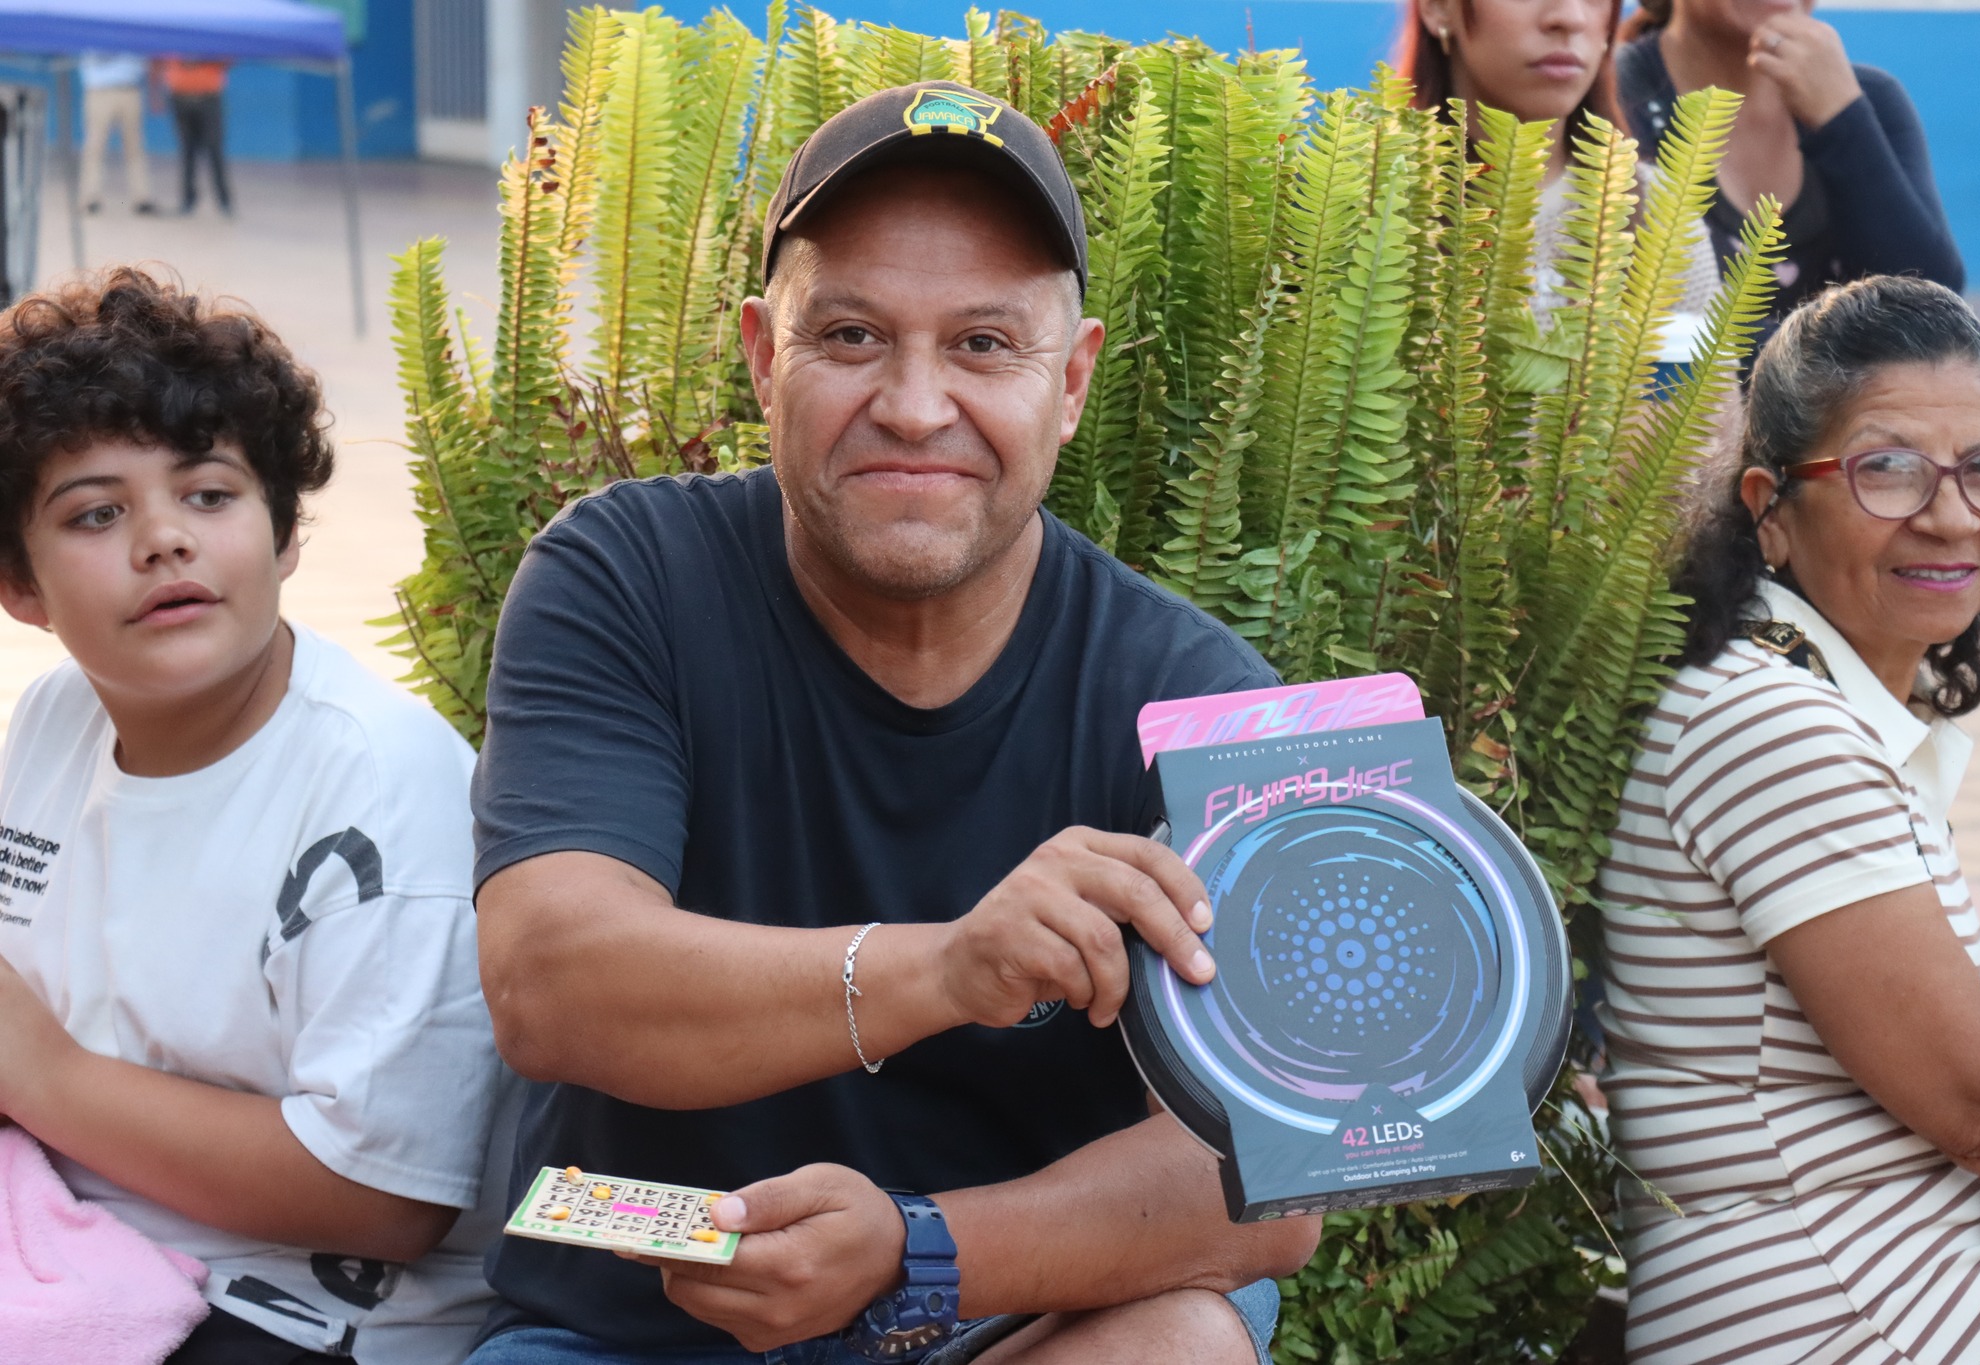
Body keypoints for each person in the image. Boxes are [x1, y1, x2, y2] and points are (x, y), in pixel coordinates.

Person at [465, 82, 1319, 1365]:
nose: (916, 406)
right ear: (763, 355)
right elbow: (552, 982)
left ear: (1073, 380)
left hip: (995, 1329)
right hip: (629, 1338)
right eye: (852, 335)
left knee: (1178, 1345)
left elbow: (1265, 1173)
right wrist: (949, 969)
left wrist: (919, 1250)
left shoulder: (1204, 704)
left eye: (984, 345)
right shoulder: (625, 575)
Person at [0, 268, 515, 1365]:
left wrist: (42, 1075)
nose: (162, 541)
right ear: (21, 587)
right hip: (67, 1240)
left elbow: (384, 1198)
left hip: (304, 1312)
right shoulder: (53, 721)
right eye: (96, 513)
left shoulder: (376, 788)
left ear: (283, 535)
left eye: (209, 495)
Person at [1598, 275, 1980, 1362]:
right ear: (1767, 508)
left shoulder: (1792, 692)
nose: (1949, 515)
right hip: (1840, 1306)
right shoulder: (1769, 728)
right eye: (1884, 471)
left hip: (1901, 1266)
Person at [1617, 0, 1964, 322]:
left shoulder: (1868, 98)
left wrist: (1842, 121)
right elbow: (1662, 327)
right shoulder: (1614, 100)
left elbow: (1931, 309)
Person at [1398, 0, 1719, 340]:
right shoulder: (1371, 209)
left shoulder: (1661, 214)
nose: (1569, 17)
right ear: (1438, 8)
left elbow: (1708, 391)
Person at [78, 50, 156, 216]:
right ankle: (90, 198)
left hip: (129, 88)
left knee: (135, 147)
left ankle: (142, 198)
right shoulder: (94, 26)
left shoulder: (133, 27)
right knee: (94, 147)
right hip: (99, 89)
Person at [156, 57, 232, 216]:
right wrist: (156, 93)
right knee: (187, 150)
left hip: (208, 96)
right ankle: (188, 199)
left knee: (214, 149)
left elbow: (229, 59)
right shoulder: (174, 35)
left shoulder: (212, 36)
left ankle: (224, 201)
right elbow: (158, 60)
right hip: (180, 97)